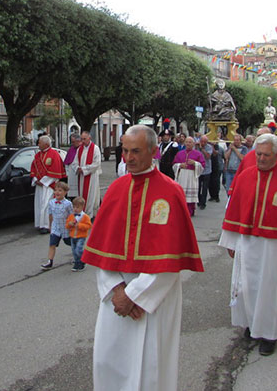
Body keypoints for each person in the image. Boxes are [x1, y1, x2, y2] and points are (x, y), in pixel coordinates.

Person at [82, 125, 204, 390]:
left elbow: (171, 260)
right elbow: (101, 252)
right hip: (115, 296)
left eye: (136, 151)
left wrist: (135, 295)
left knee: (151, 365)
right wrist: (117, 290)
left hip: (155, 298)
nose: (128, 158)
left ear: (153, 151)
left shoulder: (171, 192)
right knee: (109, 360)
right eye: (124, 151)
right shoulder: (115, 190)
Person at [218, 133, 277, 356]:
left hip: (275, 248)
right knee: (247, 288)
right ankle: (252, 326)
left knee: (271, 291)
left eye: (266, 155)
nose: (261, 159)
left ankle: (270, 335)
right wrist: (231, 242)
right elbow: (235, 210)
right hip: (248, 243)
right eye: (258, 154)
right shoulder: (245, 177)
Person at [30, 135, 66, 234]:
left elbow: (55, 170)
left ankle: (46, 225)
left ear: (46, 144)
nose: (38, 144)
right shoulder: (37, 155)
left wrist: (43, 181)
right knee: (39, 204)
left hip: (49, 185)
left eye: (39, 143)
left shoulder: (54, 154)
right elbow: (33, 168)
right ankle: (39, 223)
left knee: (46, 205)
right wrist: (36, 179)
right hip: (39, 184)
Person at [40, 182, 72, 270]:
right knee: (52, 244)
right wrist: (50, 226)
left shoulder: (68, 204)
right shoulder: (51, 203)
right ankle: (50, 261)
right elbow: (50, 215)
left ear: (65, 192)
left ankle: (78, 254)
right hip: (56, 227)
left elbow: (71, 215)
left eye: (60, 190)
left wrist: (72, 225)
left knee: (70, 243)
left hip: (66, 228)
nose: (57, 192)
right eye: (56, 190)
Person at [172, 137, 206, 217]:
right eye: (187, 142)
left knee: (190, 196)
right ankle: (180, 210)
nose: (188, 144)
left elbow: (202, 165)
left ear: (193, 144)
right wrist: (180, 165)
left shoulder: (198, 154)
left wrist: (195, 163)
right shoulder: (180, 153)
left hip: (192, 175)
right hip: (182, 175)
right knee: (181, 193)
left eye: (190, 142)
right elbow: (174, 164)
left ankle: (190, 210)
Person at [74, 131, 102, 217]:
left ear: (89, 138)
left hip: (92, 176)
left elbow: (96, 163)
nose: (82, 141)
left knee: (91, 195)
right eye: (81, 139)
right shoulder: (80, 149)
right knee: (82, 194)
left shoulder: (95, 148)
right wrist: (77, 168)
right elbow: (75, 162)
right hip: (81, 177)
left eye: (84, 139)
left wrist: (84, 169)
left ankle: (90, 214)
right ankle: (82, 213)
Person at [66, 196, 91, 272]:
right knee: (74, 251)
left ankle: (83, 259)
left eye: (77, 207)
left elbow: (88, 226)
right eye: (74, 207)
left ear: (82, 207)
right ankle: (77, 263)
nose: (75, 209)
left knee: (78, 249)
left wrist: (79, 225)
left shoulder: (85, 217)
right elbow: (67, 225)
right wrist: (69, 224)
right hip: (73, 236)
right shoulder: (71, 216)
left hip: (81, 236)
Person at [196, 136, 213, 210]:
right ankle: (199, 200)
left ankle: (203, 203)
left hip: (206, 170)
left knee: (205, 187)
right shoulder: (196, 147)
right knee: (198, 187)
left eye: (204, 142)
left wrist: (202, 149)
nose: (202, 143)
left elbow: (208, 156)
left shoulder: (209, 147)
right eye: (201, 141)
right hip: (198, 170)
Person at [64, 132, 82, 198]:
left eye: (73, 142)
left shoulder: (82, 149)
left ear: (79, 141)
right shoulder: (71, 149)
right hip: (71, 175)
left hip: (79, 174)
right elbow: (66, 162)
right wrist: (67, 172)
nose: (72, 143)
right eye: (72, 142)